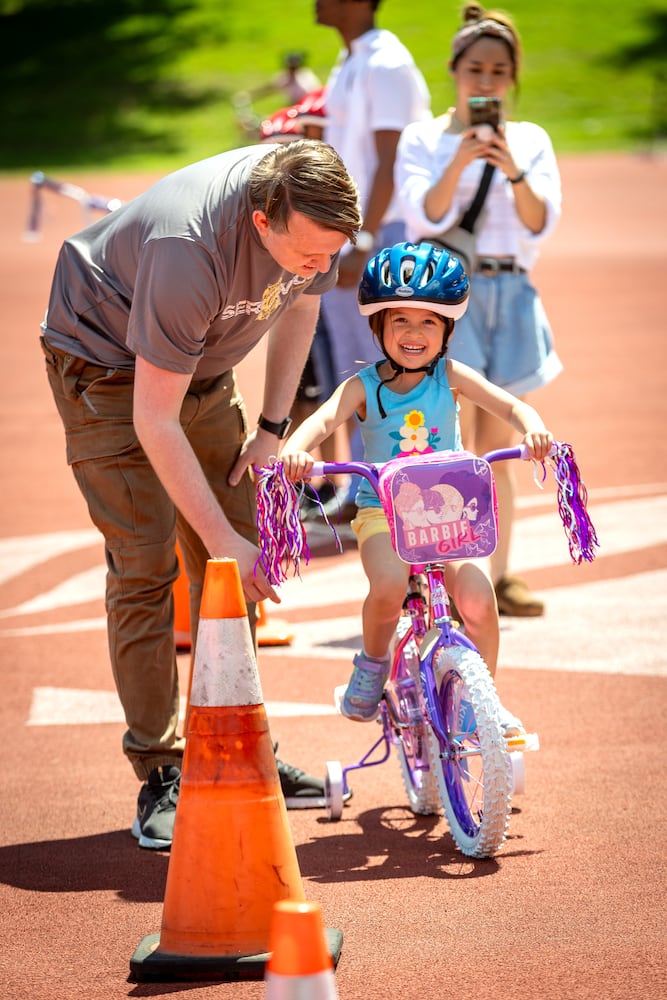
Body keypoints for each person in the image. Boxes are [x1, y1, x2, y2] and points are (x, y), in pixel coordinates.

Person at [39, 139, 362, 849]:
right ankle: (159, 768)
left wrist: (273, 428)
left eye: (329, 254)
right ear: (260, 222)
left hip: (202, 366)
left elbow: (303, 305)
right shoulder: (189, 248)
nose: (319, 268)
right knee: (146, 562)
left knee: (234, 568)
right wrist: (220, 536)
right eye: (306, 253)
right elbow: (152, 418)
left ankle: (237, 744)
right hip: (106, 368)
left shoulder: (317, 206)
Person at [278, 242, 553, 732]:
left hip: (449, 511)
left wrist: (531, 426)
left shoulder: (449, 375)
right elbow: (321, 420)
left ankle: (483, 700)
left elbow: (510, 406)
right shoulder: (362, 386)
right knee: (386, 585)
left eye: (428, 321)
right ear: (377, 326)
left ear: (447, 329)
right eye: (399, 319)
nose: (413, 332)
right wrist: (295, 450)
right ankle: (373, 663)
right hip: (383, 509)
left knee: (478, 599)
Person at [394, 3, 562, 617]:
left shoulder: (532, 140)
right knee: (442, 442)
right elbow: (421, 216)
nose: (486, 82)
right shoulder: (424, 138)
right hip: (445, 302)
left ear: (512, 78)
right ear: (455, 72)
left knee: (496, 448)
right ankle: (434, 577)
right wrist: (462, 158)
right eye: (474, 69)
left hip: (510, 293)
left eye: (497, 70)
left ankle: (500, 576)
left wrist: (512, 170)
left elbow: (540, 222)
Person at [315, 0, 432, 517]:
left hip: (378, 232)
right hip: (354, 231)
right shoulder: (351, 59)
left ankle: (385, 487)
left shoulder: (386, 62)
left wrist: (363, 243)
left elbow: (392, 158)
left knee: (379, 363)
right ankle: (364, 485)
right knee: (351, 362)